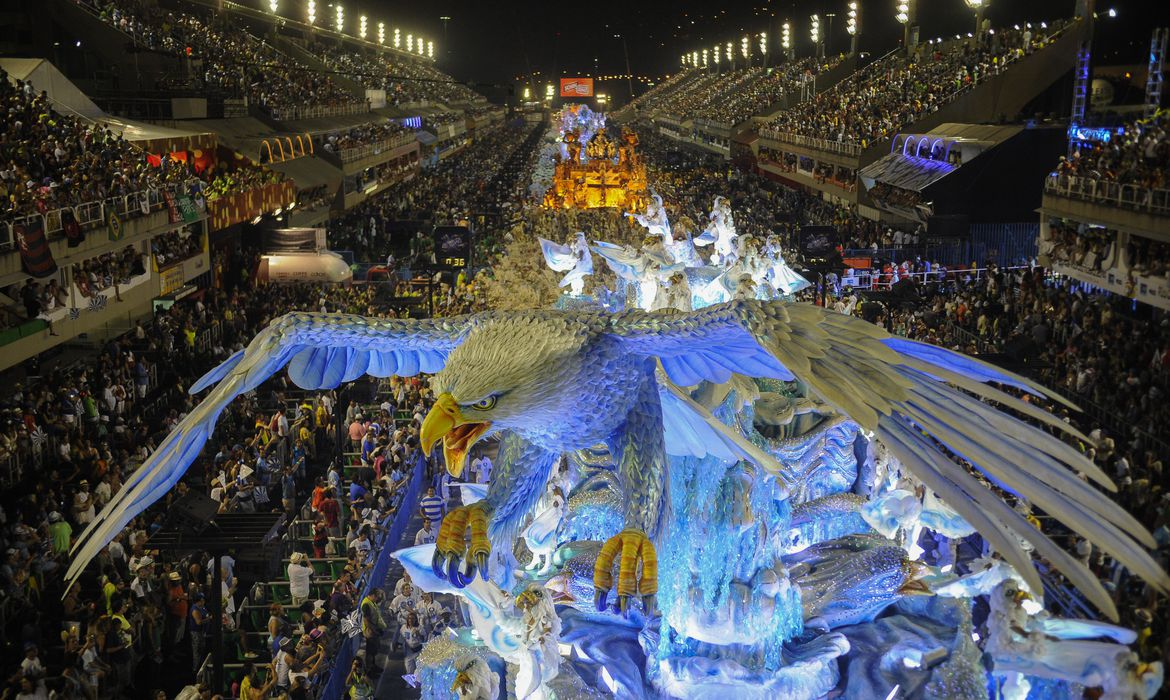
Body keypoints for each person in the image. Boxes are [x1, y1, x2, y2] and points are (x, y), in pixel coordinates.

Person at [360, 588, 387, 674]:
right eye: (376, 597)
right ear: (372, 595)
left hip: (374, 629)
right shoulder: (366, 604)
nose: (377, 599)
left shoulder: (371, 602)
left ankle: (373, 666)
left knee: (374, 650)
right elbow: (366, 620)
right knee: (370, 651)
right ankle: (369, 670)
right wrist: (374, 630)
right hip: (370, 631)